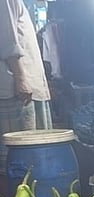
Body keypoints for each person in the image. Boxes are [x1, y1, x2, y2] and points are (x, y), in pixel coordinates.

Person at [0, 0, 49, 167]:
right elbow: (7, 41)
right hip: (15, 90)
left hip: (21, 85)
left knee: (27, 156)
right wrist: (21, 79)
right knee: (21, 160)